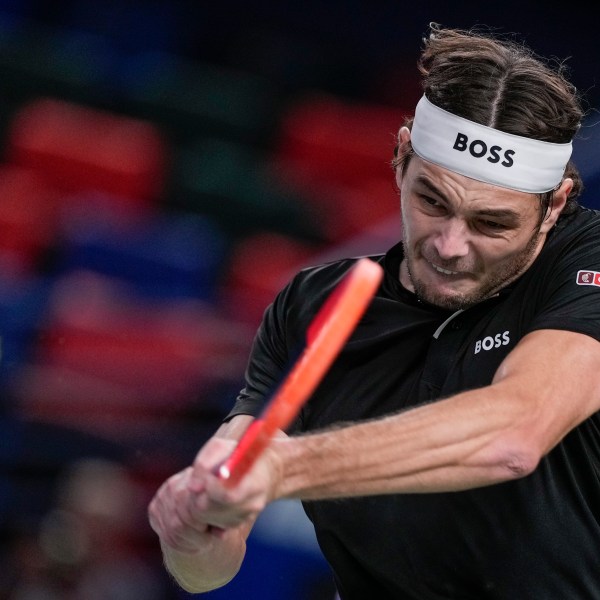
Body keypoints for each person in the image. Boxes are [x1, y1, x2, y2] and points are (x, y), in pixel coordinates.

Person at [148, 23, 600, 599]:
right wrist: (192, 534)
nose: (450, 245)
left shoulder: (587, 264)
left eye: (493, 223)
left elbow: (514, 433)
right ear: (401, 154)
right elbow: (211, 567)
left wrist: (282, 470)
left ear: (555, 204)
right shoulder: (312, 304)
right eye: (432, 201)